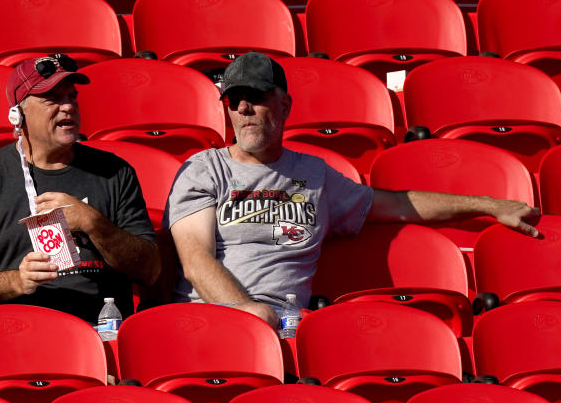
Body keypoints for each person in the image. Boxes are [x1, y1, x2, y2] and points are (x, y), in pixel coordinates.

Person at [164, 52, 539, 329]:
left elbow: (398, 205)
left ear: (285, 104)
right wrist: (249, 313)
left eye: (257, 97)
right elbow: (196, 261)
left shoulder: (315, 176)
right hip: (211, 319)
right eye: (234, 100)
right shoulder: (204, 169)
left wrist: (488, 205)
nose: (244, 107)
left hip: (288, 327)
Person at [0, 54, 160, 323]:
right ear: (18, 115)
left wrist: (93, 223)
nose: (67, 107)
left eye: (71, 97)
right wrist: (18, 281)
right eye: (52, 99)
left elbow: (149, 270)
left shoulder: (115, 172)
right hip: (17, 327)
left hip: (98, 328)